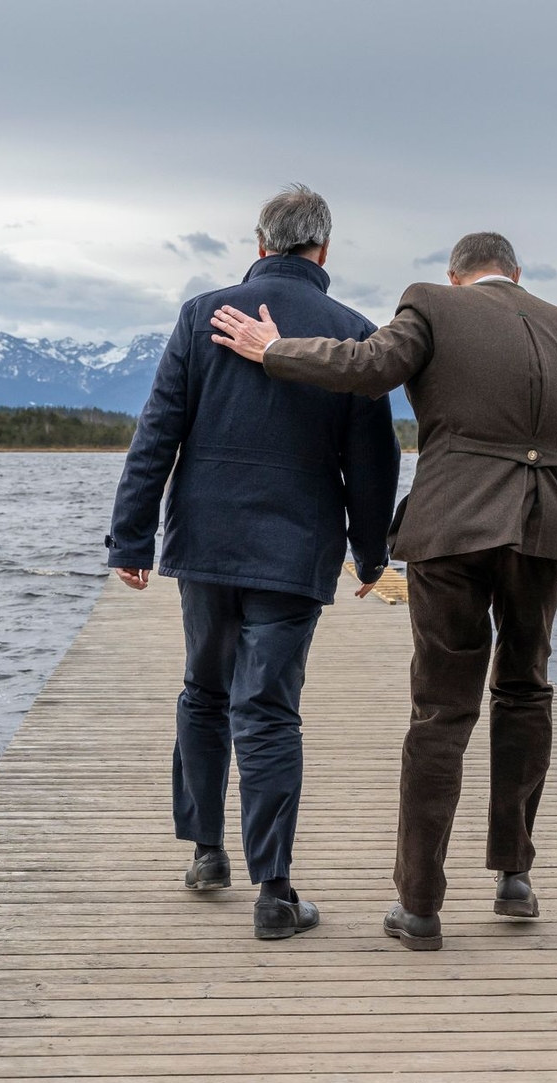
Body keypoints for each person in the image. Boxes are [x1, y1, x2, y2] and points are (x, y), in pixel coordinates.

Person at [210, 231, 557, 951]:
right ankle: (514, 877)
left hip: (453, 528)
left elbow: (368, 366)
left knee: (442, 709)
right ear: (517, 275)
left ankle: (421, 907)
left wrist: (272, 350)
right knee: (526, 691)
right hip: (546, 533)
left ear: (455, 275)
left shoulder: (431, 305)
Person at [105, 185, 399, 940]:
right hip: (296, 551)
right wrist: (372, 555)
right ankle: (275, 892)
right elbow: (373, 464)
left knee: (204, 691)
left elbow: (157, 433)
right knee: (268, 709)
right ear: (323, 251)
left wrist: (131, 540)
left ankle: (207, 853)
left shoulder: (201, 314)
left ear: (260, 241)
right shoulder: (353, 334)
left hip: (204, 544)